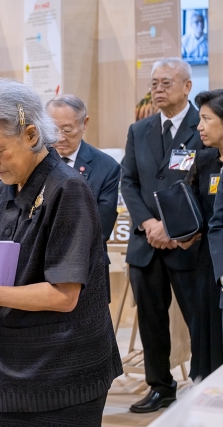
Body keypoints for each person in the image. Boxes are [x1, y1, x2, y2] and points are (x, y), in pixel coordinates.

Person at [0, 78, 123, 426]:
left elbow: (64, 295)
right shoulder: (4, 190)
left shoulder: (69, 190)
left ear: (32, 135)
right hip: (3, 357)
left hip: (61, 370)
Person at [120, 57, 204, 412]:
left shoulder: (205, 127)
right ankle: (160, 386)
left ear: (187, 86)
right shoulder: (139, 130)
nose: (157, 89)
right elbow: (129, 181)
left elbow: (202, 186)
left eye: (166, 82)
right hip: (146, 244)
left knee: (199, 318)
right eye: (154, 83)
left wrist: (174, 228)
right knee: (152, 321)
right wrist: (148, 223)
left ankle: (205, 381)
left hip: (187, 243)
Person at [46, 94, 121, 301]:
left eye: (67, 129)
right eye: (53, 129)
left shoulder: (106, 167)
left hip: (88, 265)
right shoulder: (36, 162)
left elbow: (102, 225)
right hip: (41, 269)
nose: (60, 137)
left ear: (84, 124)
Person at [183, 89, 223, 380]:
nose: (200, 127)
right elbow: (190, 203)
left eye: (207, 119)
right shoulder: (204, 160)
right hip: (208, 262)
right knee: (206, 331)